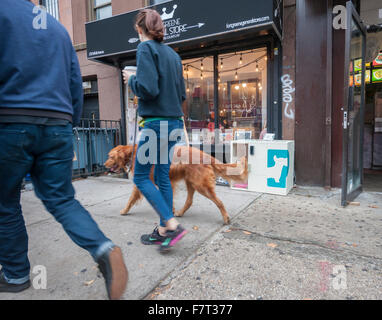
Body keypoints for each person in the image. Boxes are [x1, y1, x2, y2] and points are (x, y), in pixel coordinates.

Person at [0, 0, 127, 299]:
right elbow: (74, 83)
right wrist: (67, 126)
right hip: (57, 124)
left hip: (10, 120)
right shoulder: (57, 28)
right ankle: (104, 248)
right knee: (62, 199)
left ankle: (16, 273)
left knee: (5, 203)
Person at [123, 9, 187, 253]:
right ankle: (163, 231)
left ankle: (171, 224)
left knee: (140, 176)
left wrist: (131, 80)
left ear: (140, 29)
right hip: (173, 124)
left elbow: (147, 89)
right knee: (162, 176)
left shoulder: (144, 49)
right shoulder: (173, 55)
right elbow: (181, 94)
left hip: (155, 125)